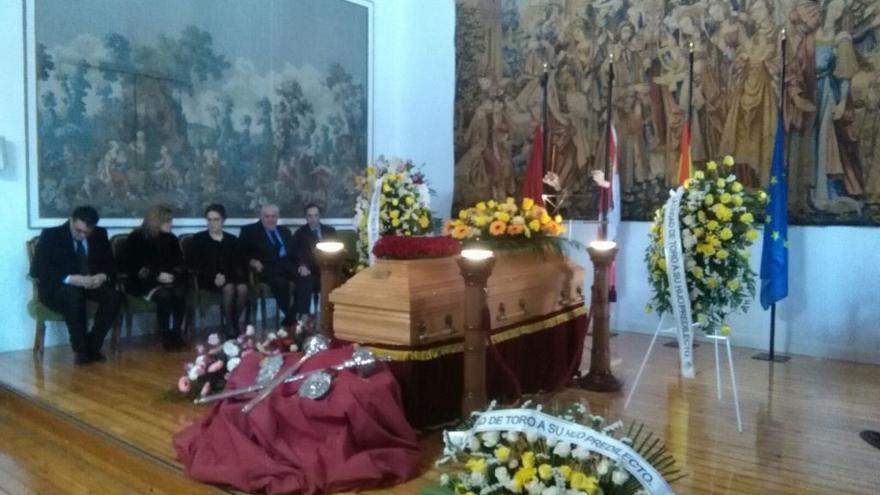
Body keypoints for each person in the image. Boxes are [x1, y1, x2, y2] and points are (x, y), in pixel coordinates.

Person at [31, 206, 121, 364]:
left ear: (93, 228)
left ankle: (93, 346)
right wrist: (70, 279)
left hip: (90, 283)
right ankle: (81, 350)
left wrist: (102, 276)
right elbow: (37, 270)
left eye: (86, 232)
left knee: (113, 297)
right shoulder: (51, 235)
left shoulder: (100, 234)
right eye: (78, 230)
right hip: (59, 288)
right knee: (73, 295)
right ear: (71, 220)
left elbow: (111, 265)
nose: (81, 235)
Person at [125, 205, 186, 350]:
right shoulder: (136, 237)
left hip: (168, 280)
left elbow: (179, 263)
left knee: (179, 292)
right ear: (156, 221)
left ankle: (176, 334)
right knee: (165, 295)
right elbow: (131, 266)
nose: (171, 224)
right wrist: (157, 276)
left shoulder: (171, 238)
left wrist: (173, 275)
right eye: (168, 221)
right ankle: (165, 336)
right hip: (144, 282)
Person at [188, 204, 249, 338]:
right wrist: (214, 276)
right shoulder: (199, 239)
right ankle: (231, 328)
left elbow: (238, 263)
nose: (212, 223)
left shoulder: (232, 240)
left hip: (230, 275)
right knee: (230, 288)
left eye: (216, 219)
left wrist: (225, 275)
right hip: (207, 278)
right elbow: (194, 263)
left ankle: (232, 322)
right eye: (209, 219)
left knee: (243, 288)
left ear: (223, 221)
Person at [239, 204, 298, 326]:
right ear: (261, 217)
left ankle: (293, 316)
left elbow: (295, 252)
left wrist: (302, 265)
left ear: (278, 217)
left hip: (288, 267)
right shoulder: (249, 231)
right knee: (281, 283)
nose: (270, 219)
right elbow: (240, 254)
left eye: (273, 216)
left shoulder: (284, 231)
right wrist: (252, 261)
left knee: (306, 278)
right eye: (267, 216)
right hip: (266, 269)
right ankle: (291, 320)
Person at [292, 204, 337, 316]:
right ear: (306, 218)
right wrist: (302, 265)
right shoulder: (300, 233)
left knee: (340, 278)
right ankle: (304, 317)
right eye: (310, 216)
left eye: (316, 215)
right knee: (304, 279)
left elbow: (337, 250)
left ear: (319, 216)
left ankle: (337, 314)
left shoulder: (330, 231)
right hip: (310, 269)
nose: (313, 219)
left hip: (329, 266)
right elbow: (297, 253)